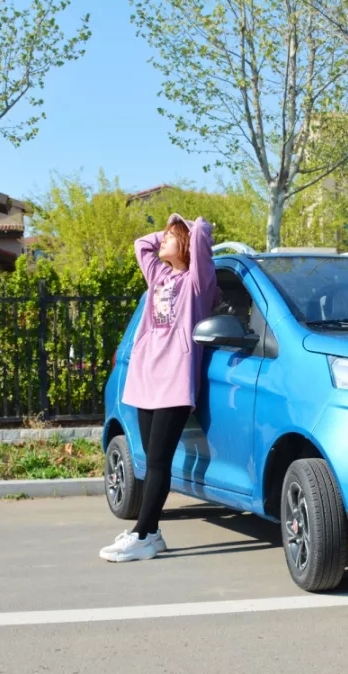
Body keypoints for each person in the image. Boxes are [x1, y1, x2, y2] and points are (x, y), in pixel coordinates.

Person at [99, 213, 217, 562]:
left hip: (174, 380)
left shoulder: (198, 282)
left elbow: (202, 235)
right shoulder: (159, 276)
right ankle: (151, 534)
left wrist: (186, 225)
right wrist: (168, 230)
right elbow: (141, 245)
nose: (161, 240)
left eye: (170, 237)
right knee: (151, 460)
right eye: (163, 236)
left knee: (159, 462)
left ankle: (142, 534)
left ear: (186, 244)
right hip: (145, 377)